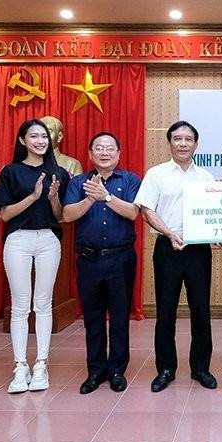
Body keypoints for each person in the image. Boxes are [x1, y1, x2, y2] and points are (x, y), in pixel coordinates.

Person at [135, 121, 218, 392]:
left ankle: (201, 368)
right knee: (166, 310)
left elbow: (216, 213)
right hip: (167, 247)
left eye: (188, 139)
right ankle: (166, 369)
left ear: (196, 144)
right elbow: (147, 210)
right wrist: (169, 233)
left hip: (198, 249)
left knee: (201, 310)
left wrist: (220, 230)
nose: (183, 144)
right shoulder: (156, 174)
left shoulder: (206, 177)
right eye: (177, 139)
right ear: (169, 142)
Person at [63, 132, 141, 394]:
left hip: (121, 258)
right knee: (93, 318)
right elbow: (68, 214)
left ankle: (117, 370)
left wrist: (106, 196)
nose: (104, 152)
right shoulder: (78, 182)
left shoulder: (130, 180)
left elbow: (133, 212)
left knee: (120, 316)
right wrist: (90, 198)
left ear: (118, 154)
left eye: (109, 148)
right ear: (90, 154)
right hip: (89, 259)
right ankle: (95, 370)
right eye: (99, 148)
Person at [0, 119, 68, 394]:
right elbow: (5, 215)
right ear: (22, 141)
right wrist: (32, 197)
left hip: (48, 239)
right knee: (20, 306)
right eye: (34, 136)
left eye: (44, 136)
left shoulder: (59, 172)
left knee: (44, 304)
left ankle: (41, 365)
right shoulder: (10, 172)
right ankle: (20, 366)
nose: (40, 141)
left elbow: (60, 217)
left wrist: (51, 197)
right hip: (18, 239)